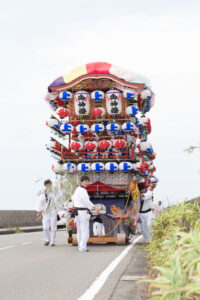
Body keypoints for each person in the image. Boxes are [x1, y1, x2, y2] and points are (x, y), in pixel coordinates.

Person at [72, 175, 100, 252]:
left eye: (88, 181)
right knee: (85, 230)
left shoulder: (77, 189)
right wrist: (94, 208)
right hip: (81, 212)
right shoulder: (82, 190)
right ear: (81, 181)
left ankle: (80, 246)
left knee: (80, 230)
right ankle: (82, 247)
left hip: (77, 211)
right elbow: (86, 201)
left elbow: (73, 199)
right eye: (86, 181)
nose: (87, 183)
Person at [36, 179, 61, 247]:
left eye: (49, 185)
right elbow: (40, 202)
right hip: (45, 212)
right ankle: (47, 239)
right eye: (47, 185)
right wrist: (38, 211)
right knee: (45, 227)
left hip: (53, 211)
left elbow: (58, 199)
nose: (48, 186)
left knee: (53, 227)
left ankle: (53, 241)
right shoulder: (42, 193)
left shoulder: (54, 192)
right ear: (45, 185)